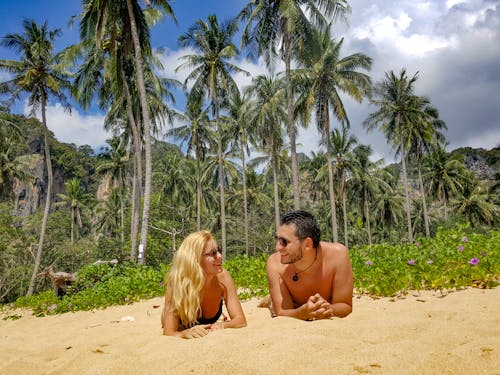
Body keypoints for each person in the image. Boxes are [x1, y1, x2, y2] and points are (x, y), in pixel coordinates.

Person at [266, 210, 353, 320]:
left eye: (284, 242)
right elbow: (282, 312)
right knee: (273, 304)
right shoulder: (275, 263)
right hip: (296, 304)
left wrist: (324, 309)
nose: (277, 247)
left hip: (318, 304)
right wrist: (302, 313)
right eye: (277, 239)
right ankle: (269, 299)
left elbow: (345, 305)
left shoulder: (337, 255)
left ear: (307, 244)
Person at [162, 230, 247, 338]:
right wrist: (185, 333)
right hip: (179, 323)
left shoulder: (223, 278)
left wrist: (222, 325)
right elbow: (169, 333)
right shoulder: (177, 283)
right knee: (165, 317)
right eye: (213, 253)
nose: (220, 256)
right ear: (195, 259)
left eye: (219, 250)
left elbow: (240, 320)